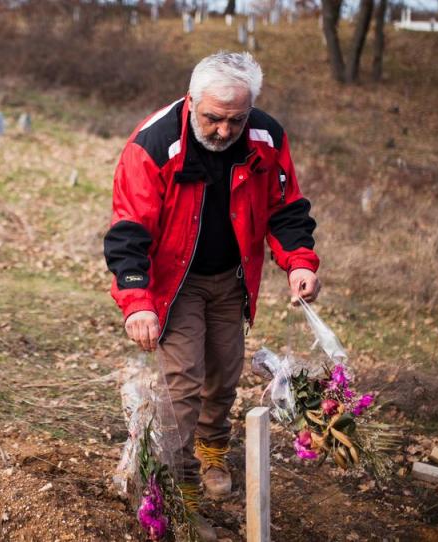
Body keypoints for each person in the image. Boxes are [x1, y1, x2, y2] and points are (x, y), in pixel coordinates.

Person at [104, 51, 320, 538]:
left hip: (232, 277)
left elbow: (286, 207)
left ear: (251, 110)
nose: (224, 131)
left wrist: (300, 262)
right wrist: (137, 302)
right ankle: (178, 494)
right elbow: (128, 230)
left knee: (223, 373)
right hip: (173, 283)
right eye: (213, 118)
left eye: (235, 120)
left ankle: (211, 452)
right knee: (182, 385)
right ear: (192, 99)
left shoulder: (265, 137)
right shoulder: (154, 143)